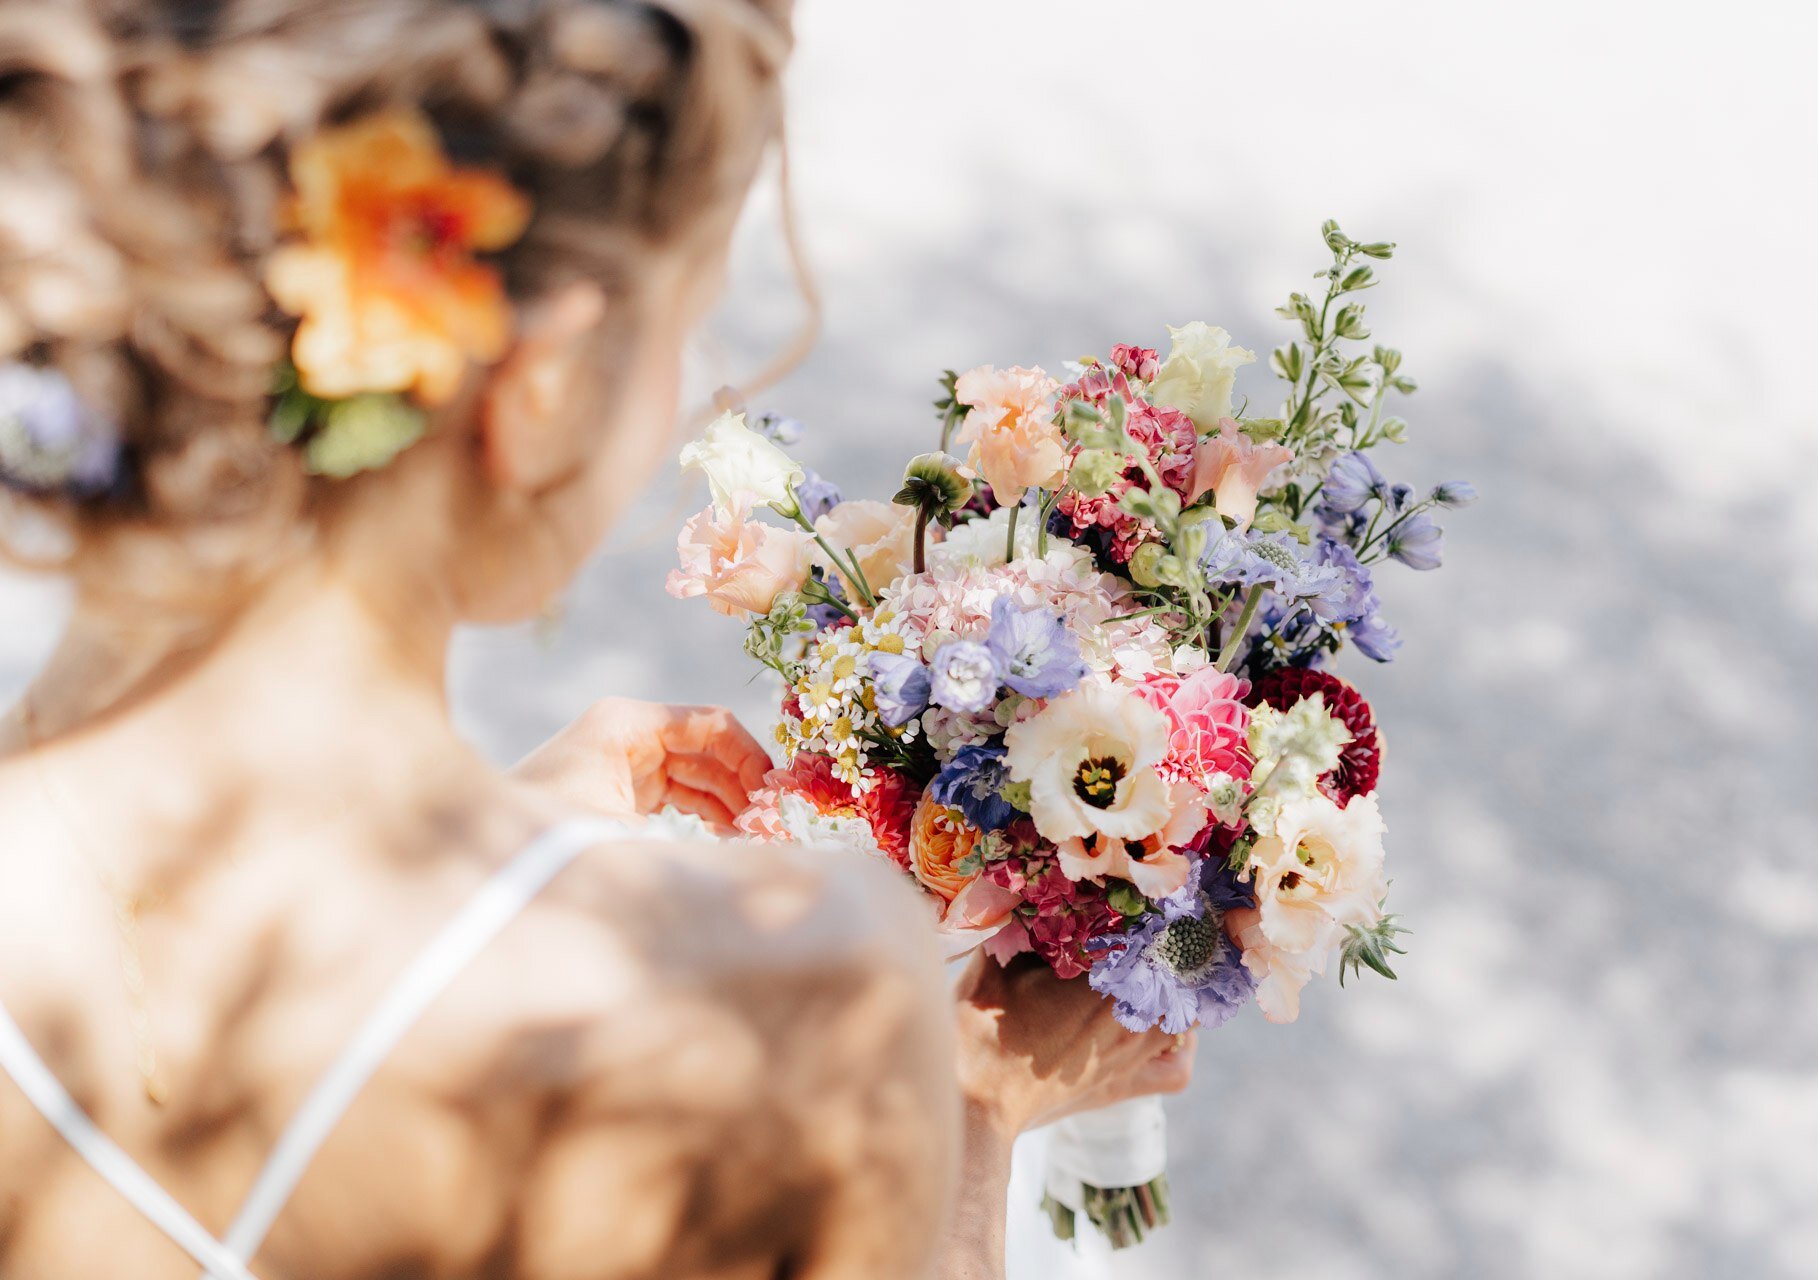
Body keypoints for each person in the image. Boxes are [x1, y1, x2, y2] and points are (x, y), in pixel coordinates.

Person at [0, 2, 1191, 1278]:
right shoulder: (785, 1009)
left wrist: (504, 839)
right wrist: (965, 1115)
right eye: (685, 325)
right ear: (544, 384)